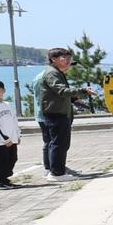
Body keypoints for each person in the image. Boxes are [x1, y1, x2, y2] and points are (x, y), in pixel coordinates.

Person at [37, 47, 79, 181]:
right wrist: (83, 90)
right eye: (63, 58)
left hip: (59, 112)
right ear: (53, 59)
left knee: (59, 143)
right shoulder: (52, 74)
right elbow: (61, 91)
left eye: (69, 57)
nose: (67, 60)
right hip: (55, 113)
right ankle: (57, 173)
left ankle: (56, 171)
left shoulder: (56, 72)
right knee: (58, 144)